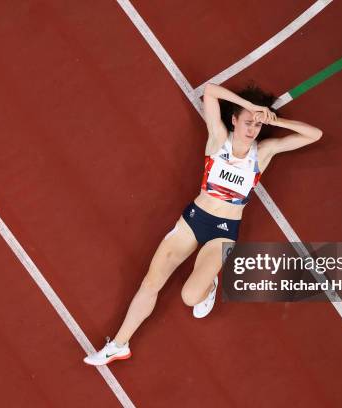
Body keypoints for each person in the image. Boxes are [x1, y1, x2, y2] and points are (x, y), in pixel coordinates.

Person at [84, 82, 323, 366]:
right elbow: (210, 91)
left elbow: (315, 135)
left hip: (222, 233)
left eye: (256, 125)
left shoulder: (264, 152)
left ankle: (207, 289)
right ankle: (119, 345)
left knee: (189, 297)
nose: (252, 129)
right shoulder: (218, 138)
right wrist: (253, 107)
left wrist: (275, 119)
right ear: (234, 120)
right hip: (193, 220)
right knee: (151, 281)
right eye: (247, 122)